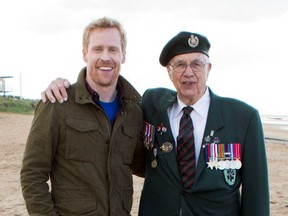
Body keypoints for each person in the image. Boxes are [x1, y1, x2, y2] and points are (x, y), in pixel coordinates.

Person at [42, 31, 270, 215]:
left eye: (197, 64)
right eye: (179, 65)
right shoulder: (152, 104)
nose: (188, 73)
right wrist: (64, 85)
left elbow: (256, 196)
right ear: (169, 72)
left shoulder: (243, 117)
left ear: (208, 68)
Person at [20, 17, 145, 216]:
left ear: (123, 55)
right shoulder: (57, 103)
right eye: (98, 49)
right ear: (85, 53)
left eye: (113, 49)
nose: (105, 57)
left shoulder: (134, 111)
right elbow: (32, 174)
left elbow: (143, 165)